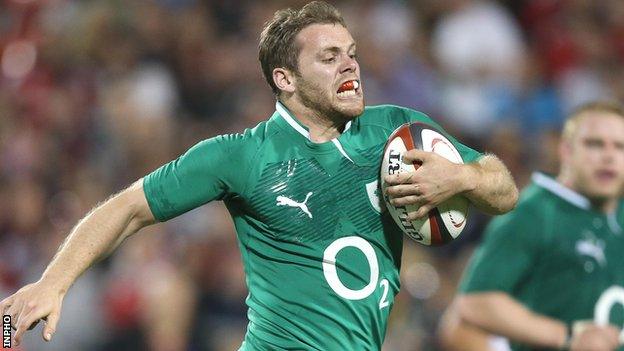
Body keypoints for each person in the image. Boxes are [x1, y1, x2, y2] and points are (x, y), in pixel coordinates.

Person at [0, 2, 518, 349]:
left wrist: (463, 178)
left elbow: (504, 188)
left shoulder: (396, 130)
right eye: (329, 57)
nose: (350, 67)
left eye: (353, 54)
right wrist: (53, 282)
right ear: (285, 79)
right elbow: (128, 207)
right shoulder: (241, 156)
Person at [442, 101, 624, 351]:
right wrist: (567, 336)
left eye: (620, 147)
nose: (609, 156)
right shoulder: (536, 212)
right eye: (594, 144)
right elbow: (474, 303)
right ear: (566, 151)